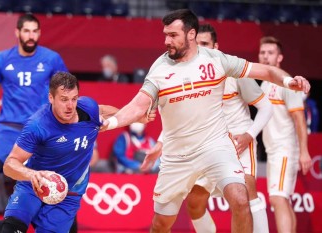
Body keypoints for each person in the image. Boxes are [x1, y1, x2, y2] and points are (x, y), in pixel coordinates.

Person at [101, 9, 310, 233]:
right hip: (178, 155)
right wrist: (112, 123)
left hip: (217, 146)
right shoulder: (160, 69)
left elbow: (266, 72)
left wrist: (289, 81)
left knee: (241, 198)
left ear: (191, 34)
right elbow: (138, 106)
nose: (166, 41)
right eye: (165, 35)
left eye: (172, 35)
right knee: (162, 223)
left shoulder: (217, 61)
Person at [144, 23, 273, 233]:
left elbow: (266, 107)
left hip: (240, 141)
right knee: (195, 202)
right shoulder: (188, 75)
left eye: (205, 44)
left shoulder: (234, 71)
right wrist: (160, 143)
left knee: (247, 195)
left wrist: (249, 135)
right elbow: (181, 117)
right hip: (207, 144)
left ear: (216, 46)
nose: (201, 48)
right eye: (198, 44)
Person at [0, 71, 121, 233]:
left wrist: (134, 115)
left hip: (68, 192)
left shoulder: (88, 109)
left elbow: (105, 110)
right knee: (11, 230)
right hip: (34, 184)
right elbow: (9, 165)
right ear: (51, 98)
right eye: (64, 100)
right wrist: (31, 175)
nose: (70, 106)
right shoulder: (37, 124)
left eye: (74, 99)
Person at [0, 13, 68, 220]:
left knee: (53, 183)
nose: (31, 35)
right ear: (17, 32)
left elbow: (65, 93)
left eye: (35, 31)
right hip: (7, 128)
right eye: (26, 31)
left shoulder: (52, 59)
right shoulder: (1, 59)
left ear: (39, 33)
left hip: (40, 130)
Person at [259, 36, 312, 233]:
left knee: (277, 198)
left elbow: (299, 117)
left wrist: (304, 152)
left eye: (270, 53)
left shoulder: (286, 82)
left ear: (279, 57)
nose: (265, 57)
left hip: (284, 148)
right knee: (282, 199)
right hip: (274, 150)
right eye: (262, 52)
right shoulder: (265, 84)